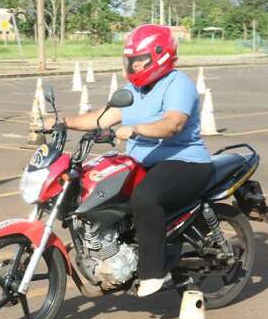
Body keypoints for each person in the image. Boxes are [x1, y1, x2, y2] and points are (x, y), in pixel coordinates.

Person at [45, 24, 213, 297]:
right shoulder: (134, 90)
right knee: (96, 185)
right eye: (131, 61)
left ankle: (154, 271)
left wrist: (136, 129)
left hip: (184, 161)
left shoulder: (178, 84)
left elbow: (172, 124)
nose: (134, 67)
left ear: (159, 57)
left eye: (140, 61)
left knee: (145, 197)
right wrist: (61, 122)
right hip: (142, 161)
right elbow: (101, 118)